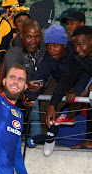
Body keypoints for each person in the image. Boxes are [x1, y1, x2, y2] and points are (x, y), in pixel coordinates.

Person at [26, 25, 82, 153]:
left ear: (64, 45)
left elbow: (84, 75)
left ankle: (53, 131)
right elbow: (40, 79)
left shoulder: (76, 52)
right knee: (44, 104)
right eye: (48, 46)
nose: (51, 50)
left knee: (54, 105)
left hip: (77, 83)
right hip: (58, 81)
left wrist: (76, 89)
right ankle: (48, 137)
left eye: (55, 46)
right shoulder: (48, 58)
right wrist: (30, 97)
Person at [45, 26, 92, 153]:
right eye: (75, 45)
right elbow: (66, 80)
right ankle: (89, 141)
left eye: (81, 45)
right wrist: (52, 105)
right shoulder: (78, 57)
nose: (77, 49)